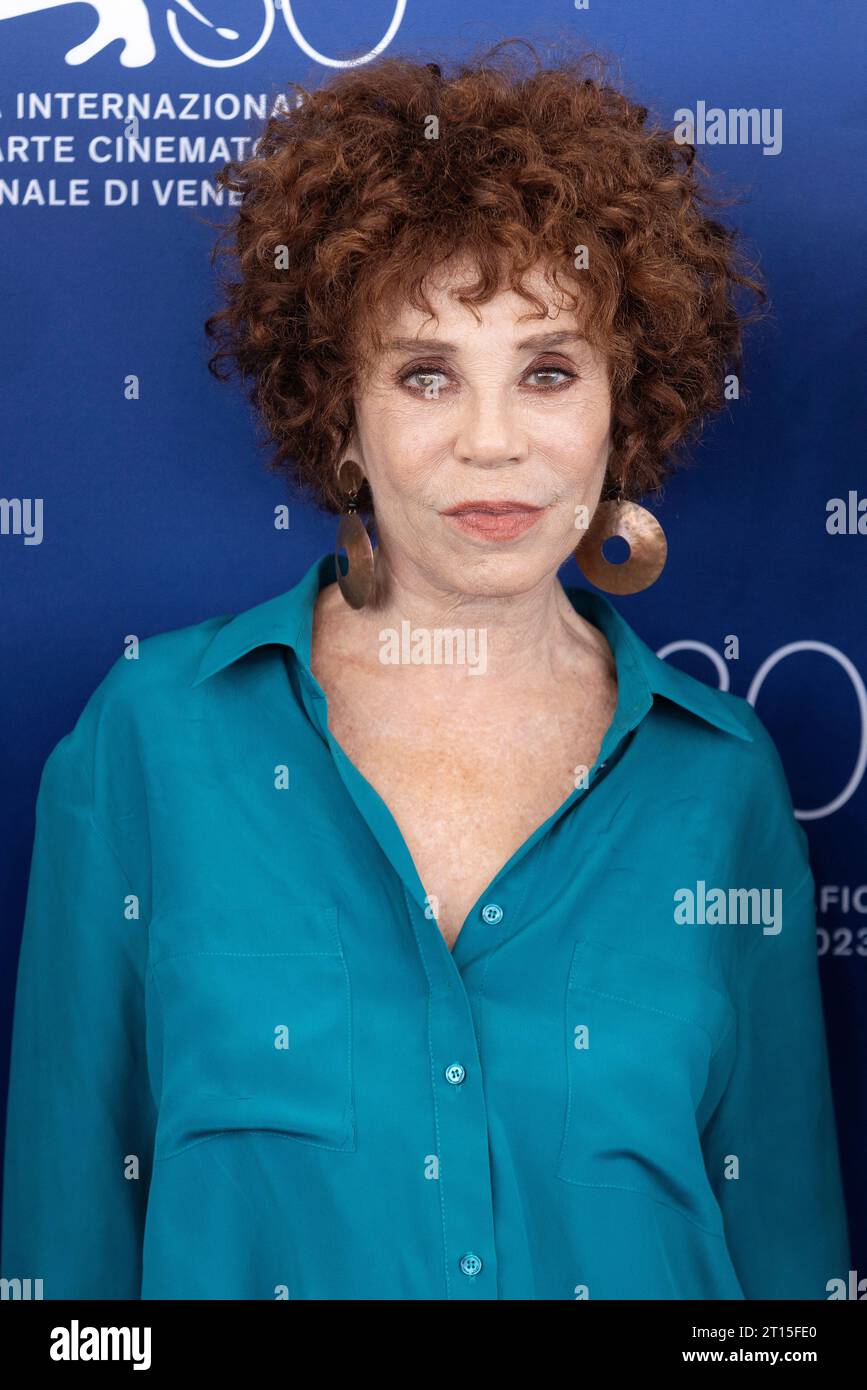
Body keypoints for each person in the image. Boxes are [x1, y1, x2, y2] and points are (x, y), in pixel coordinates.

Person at [1, 42, 849, 1300]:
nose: (494, 442)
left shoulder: (719, 786)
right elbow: (65, 1270)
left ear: (628, 404)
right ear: (340, 413)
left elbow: (786, 1282)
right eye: (426, 373)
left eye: (550, 371)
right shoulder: (148, 746)